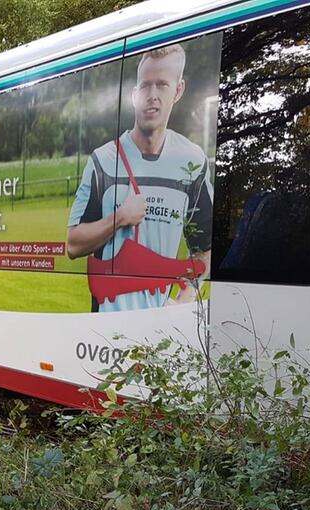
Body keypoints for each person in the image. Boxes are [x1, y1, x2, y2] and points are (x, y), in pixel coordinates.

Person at [66, 43, 213, 312]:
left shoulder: (192, 162)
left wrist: (184, 297)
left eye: (162, 85)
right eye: (145, 86)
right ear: (134, 94)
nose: (152, 95)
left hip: (160, 336)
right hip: (103, 336)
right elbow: (73, 244)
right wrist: (120, 218)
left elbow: (205, 249)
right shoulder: (104, 160)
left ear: (178, 90)